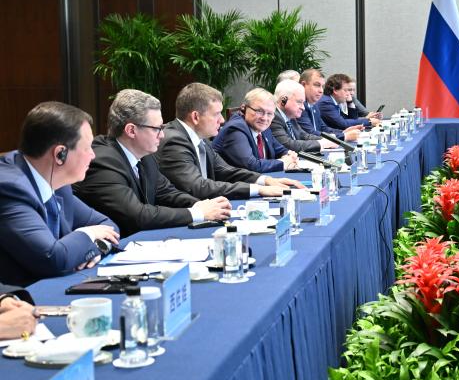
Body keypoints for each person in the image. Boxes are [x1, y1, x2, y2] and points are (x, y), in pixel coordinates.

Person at [73, 90, 231, 238]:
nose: (162, 135)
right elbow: (138, 216)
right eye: (157, 129)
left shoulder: (145, 156)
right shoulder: (103, 162)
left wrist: (203, 205)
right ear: (131, 130)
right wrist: (198, 213)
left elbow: (167, 193)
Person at [0, 102, 119, 286]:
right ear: (60, 154)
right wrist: (87, 234)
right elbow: (53, 258)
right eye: (87, 148)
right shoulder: (10, 189)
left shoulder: (57, 180)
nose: (93, 155)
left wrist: (96, 247)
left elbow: (108, 226)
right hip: (23, 297)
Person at [157, 83, 304, 200]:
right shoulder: (175, 142)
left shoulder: (201, 139)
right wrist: (258, 189)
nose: (222, 120)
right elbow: (198, 187)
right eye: (216, 114)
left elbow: (226, 170)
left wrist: (265, 180)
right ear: (196, 117)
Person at [213, 88, 299, 174]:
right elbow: (251, 166)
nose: (264, 118)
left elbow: (280, 150)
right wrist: (283, 163)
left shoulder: (263, 127)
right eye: (259, 111)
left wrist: (289, 155)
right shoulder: (235, 129)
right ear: (244, 108)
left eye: (269, 113)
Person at [271, 79, 359, 152]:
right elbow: (289, 145)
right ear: (283, 100)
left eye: (303, 103)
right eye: (299, 102)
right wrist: (322, 143)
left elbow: (304, 136)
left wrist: (331, 140)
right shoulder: (273, 117)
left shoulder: (290, 117)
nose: (303, 108)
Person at [298, 69, 344, 137]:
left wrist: (344, 132)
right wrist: (344, 136)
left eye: (322, 87)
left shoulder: (314, 105)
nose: (321, 91)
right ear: (303, 85)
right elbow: (311, 133)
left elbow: (323, 128)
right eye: (317, 85)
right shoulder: (299, 106)